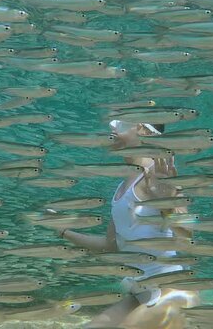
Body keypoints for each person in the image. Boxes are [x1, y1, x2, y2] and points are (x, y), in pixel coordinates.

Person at [58, 120, 200, 329]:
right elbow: (111, 247)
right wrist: (63, 231)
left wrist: (170, 203)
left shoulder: (157, 175)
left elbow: (187, 239)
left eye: (122, 123)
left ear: (144, 131)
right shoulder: (122, 187)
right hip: (140, 293)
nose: (113, 129)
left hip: (173, 293)